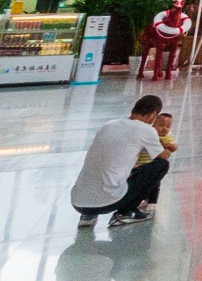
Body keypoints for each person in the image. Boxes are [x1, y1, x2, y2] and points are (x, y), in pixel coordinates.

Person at [69, 94, 171, 229]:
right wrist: (167, 148)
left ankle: (88, 216)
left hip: (78, 201)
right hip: (109, 201)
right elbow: (161, 156)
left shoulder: (108, 125)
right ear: (152, 115)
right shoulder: (147, 130)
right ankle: (126, 212)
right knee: (161, 165)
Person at [140, 0, 192, 81]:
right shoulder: (165, 18)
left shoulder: (179, 25)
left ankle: (168, 73)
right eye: (176, 2)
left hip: (174, 34)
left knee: (173, 53)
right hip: (160, 33)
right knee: (157, 52)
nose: (179, 4)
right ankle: (152, 73)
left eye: (181, 2)